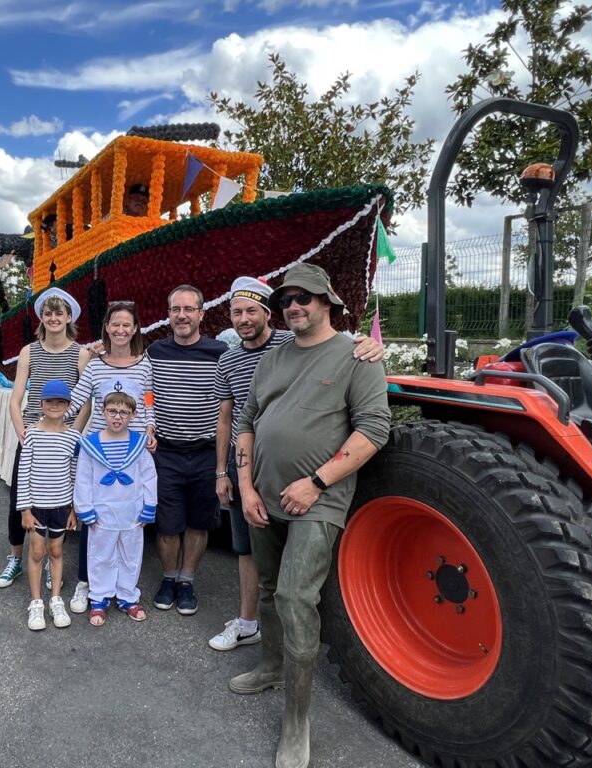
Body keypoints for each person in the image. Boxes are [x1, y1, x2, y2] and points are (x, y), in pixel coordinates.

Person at [233, 263, 390, 768]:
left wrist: (317, 481)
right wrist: (245, 486)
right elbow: (246, 423)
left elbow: (374, 429)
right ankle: (273, 665)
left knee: (298, 597)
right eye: (286, 300)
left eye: (304, 297)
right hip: (263, 496)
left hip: (318, 501)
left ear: (327, 302)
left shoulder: (356, 356)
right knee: (272, 589)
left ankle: (297, 723)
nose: (293, 306)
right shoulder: (273, 358)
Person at [209, 276, 384, 652]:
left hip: (313, 488)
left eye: (251, 310)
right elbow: (233, 419)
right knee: (252, 560)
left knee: (294, 591)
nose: (243, 317)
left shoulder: (295, 341)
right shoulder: (236, 359)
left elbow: (332, 345)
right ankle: (250, 628)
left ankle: (297, 696)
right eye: (236, 311)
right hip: (252, 476)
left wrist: (368, 345)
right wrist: (228, 475)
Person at [63, 300, 155, 613]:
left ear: (135, 329)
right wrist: (52, 422)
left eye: (126, 324)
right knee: (98, 524)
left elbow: (148, 398)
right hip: (100, 449)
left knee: (128, 532)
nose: (120, 330)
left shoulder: (144, 363)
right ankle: (90, 587)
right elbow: (76, 399)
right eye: (115, 324)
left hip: (134, 448)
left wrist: (151, 427)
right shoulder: (95, 364)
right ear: (106, 327)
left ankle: (126, 592)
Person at [0, 286, 91, 589]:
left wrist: (75, 431)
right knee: (20, 500)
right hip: (33, 436)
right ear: (42, 317)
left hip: (63, 439)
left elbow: (87, 398)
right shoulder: (29, 351)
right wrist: (21, 429)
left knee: (59, 500)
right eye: (48, 313)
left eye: (58, 313)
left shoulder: (81, 353)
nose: (53, 317)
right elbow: (15, 398)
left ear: (68, 317)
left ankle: (52, 563)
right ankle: (15, 559)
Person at [146, 284, 226, 616]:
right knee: (167, 524)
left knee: (198, 523)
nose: (182, 315)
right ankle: (168, 578)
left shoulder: (221, 352)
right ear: (168, 315)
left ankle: (186, 580)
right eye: (175, 309)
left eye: (189, 309)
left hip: (207, 452)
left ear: (201, 314)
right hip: (166, 453)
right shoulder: (154, 352)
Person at [75, 383, 157, 626]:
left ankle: (127, 595)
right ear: (102, 412)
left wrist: (149, 506)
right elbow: (83, 479)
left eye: (123, 412)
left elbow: (149, 476)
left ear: (133, 415)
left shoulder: (139, 444)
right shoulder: (90, 445)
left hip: (131, 511)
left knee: (130, 555)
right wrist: (85, 508)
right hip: (102, 512)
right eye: (112, 411)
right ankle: (99, 597)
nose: (117, 417)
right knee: (100, 555)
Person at [17, 379, 81, 631]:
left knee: (56, 551)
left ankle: (56, 599)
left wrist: (75, 508)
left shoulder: (74, 436)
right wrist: (24, 509)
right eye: (50, 401)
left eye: (61, 401)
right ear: (41, 403)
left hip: (62, 506)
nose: (55, 406)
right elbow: (23, 473)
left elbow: (76, 474)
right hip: (36, 507)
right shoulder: (31, 433)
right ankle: (36, 603)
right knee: (36, 552)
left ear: (68, 405)